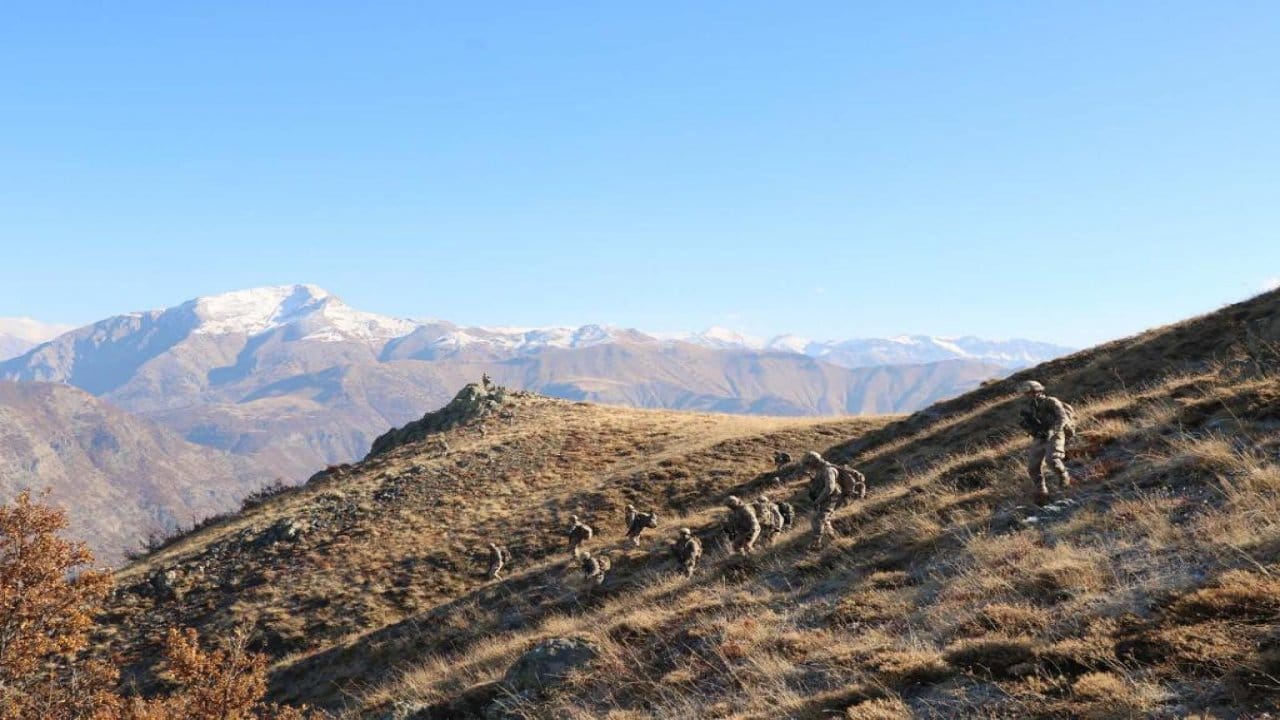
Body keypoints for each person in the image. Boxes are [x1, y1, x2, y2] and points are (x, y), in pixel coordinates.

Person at [1017, 380, 1073, 501]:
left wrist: (1052, 431)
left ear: (1037, 391)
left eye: (1029, 393)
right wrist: (1029, 428)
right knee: (1033, 466)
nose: (1027, 396)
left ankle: (1064, 478)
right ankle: (1041, 490)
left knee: (1052, 459)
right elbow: (1025, 423)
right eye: (1026, 394)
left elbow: (1062, 418)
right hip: (1040, 437)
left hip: (1056, 434)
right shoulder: (1029, 407)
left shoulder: (1051, 401)